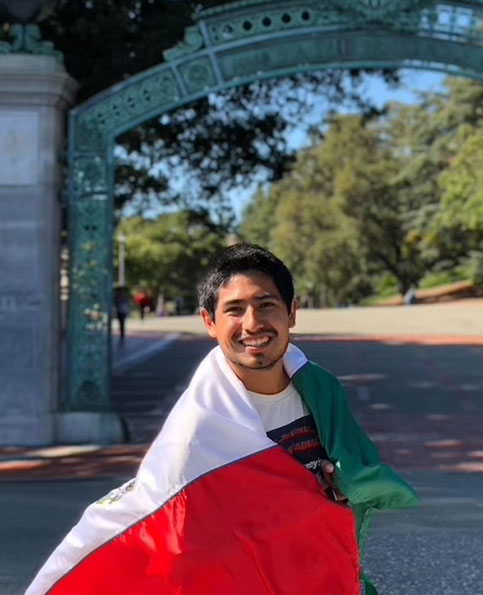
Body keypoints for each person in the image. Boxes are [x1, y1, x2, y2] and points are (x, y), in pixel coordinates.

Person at [26, 243, 417, 595]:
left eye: (266, 305)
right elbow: (149, 522)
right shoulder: (196, 432)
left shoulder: (321, 389)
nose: (252, 324)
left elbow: (355, 474)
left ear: (292, 313)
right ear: (209, 322)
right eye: (234, 309)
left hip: (320, 575)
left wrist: (344, 489)